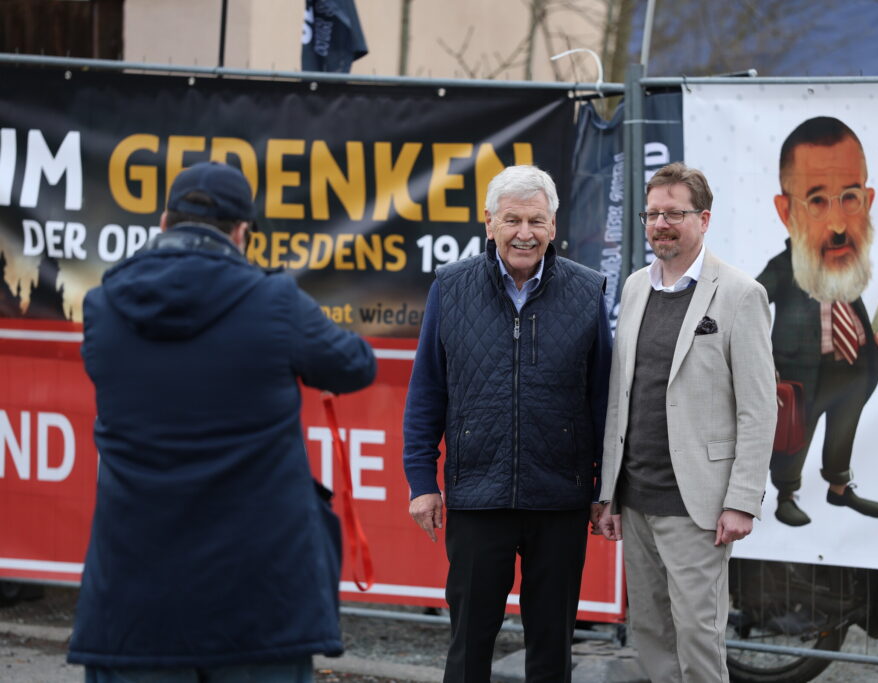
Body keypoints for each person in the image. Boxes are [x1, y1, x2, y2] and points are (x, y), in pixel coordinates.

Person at [67, 161, 377, 682]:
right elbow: (354, 365)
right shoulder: (274, 302)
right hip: (257, 605)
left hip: (132, 602)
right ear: (242, 233)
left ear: (164, 223)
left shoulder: (103, 307)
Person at [402, 164, 612, 683]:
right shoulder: (450, 289)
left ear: (554, 226)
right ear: (489, 223)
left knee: (552, 650)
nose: (525, 233)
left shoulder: (588, 292)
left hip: (559, 499)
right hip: (479, 495)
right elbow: (427, 391)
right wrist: (422, 483)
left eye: (536, 221)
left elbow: (605, 400)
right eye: (513, 219)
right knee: (469, 646)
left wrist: (605, 489)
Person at [597, 161, 776, 683]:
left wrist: (742, 500)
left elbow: (759, 407)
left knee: (698, 638)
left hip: (696, 506)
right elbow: (621, 394)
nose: (660, 224)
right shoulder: (634, 288)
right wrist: (608, 492)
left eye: (674, 213)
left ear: (704, 218)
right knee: (651, 635)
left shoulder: (741, 294)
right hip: (636, 500)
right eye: (652, 213)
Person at [757, 116, 878, 527]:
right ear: (786, 211)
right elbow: (746, 303)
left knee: (843, 432)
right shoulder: (783, 268)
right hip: (801, 375)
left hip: (854, 369)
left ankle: (839, 489)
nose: (838, 224)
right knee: (794, 440)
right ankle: (786, 494)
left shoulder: (845, 263)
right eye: (817, 201)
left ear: (867, 200)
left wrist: (874, 341)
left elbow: (850, 313)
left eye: (849, 198)